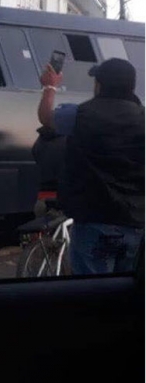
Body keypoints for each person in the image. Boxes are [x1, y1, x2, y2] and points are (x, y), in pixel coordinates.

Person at [37, 57, 144, 275]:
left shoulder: (79, 115)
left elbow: (46, 117)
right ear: (131, 86)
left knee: (92, 294)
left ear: (100, 85)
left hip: (93, 222)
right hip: (135, 224)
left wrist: (50, 86)